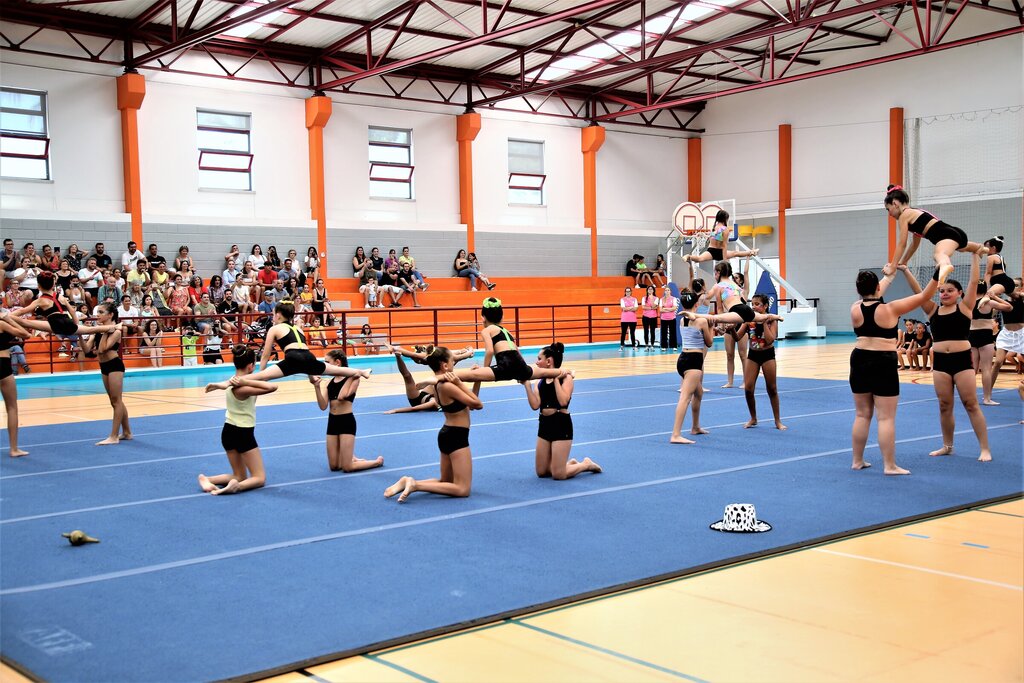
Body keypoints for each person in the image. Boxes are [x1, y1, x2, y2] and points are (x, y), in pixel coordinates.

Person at [849, 265, 938, 475]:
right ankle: (889, 465)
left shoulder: (854, 308)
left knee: (862, 415)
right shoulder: (891, 309)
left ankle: (857, 460)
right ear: (878, 287)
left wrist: (889, 276)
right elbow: (925, 295)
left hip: (859, 358)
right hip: (882, 361)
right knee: (886, 418)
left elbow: (873, 293)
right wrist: (938, 272)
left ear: (858, 290)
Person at [904, 253, 992, 461]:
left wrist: (975, 256)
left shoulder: (965, 307)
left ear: (959, 293)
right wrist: (906, 270)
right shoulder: (933, 310)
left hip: (962, 361)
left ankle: (985, 448)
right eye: (942, 291)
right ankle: (947, 446)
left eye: (950, 290)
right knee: (944, 405)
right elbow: (919, 292)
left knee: (971, 403)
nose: (944, 294)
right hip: (941, 363)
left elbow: (973, 282)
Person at [384, 347, 483, 503]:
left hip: (447, 434)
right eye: (453, 361)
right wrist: (459, 382)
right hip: (457, 436)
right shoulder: (448, 386)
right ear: (445, 365)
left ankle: (407, 482)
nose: (454, 364)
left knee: (446, 481)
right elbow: (478, 404)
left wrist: (477, 379)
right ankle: (415, 485)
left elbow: (471, 403)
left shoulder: (439, 385)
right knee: (462, 489)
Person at [428, 298, 571, 387]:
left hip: (505, 365)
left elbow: (490, 351)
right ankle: (568, 372)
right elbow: (517, 351)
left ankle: (434, 379)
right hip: (520, 365)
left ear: (483, 317)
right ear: (501, 318)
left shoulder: (487, 330)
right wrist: (522, 372)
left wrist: (484, 370)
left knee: (468, 375)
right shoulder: (507, 332)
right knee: (543, 372)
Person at [199, 345, 277, 495]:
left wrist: (248, 379)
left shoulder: (231, 382)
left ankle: (208, 479)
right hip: (243, 433)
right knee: (259, 478)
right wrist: (246, 382)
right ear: (251, 366)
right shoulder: (242, 387)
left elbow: (263, 378)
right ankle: (236, 487)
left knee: (239, 476)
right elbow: (272, 387)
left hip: (228, 431)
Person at [239, 301, 371, 382]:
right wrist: (312, 376)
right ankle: (361, 372)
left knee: (257, 377)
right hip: (309, 358)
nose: (273, 317)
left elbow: (266, 355)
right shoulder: (298, 329)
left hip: (293, 358)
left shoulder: (274, 328)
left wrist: (261, 375)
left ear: (278, 315)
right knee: (338, 370)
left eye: (273, 314)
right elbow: (304, 353)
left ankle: (231, 381)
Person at [523, 342, 601, 479]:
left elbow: (563, 401)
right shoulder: (539, 382)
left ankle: (586, 464)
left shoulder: (566, 378)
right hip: (544, 425)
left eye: (539, 359)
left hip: (560, 424)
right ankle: (569, 464)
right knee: (542, 472)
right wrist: (527, 385)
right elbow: (535, 405)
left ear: (549, 361)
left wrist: (555, 378)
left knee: (558, 474)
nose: (536, 362)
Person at [883, 184, 987, 284]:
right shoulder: (914, 213)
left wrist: (893, 266)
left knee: (939, 254)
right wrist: (903, 261)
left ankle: (944, 265)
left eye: (888, 209)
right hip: (954, 233)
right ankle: (979, 248)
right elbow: (914, 245)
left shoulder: (904, 216)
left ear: (895, 204)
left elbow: (902, 243)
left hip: (945, 235)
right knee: (962, 248)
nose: (889, 214)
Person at [311, 349, 384, 473]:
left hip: (346, 421)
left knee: (347, 467)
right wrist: (316, 387)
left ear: (337, 363)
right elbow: (323, 406)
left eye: (327, 362)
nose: (325, 365)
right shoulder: (329, 383)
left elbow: (341, 396)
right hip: (332, 422)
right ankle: (352, 457)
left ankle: (376, 462)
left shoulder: (354, 380)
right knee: (334, 466)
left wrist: (352, 375)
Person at [6, 271, 119, 338]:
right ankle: (114, 327)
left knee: (25, 322)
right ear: (53, 285)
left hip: (55, 324)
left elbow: (21, 311)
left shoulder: (41, 300)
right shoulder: (60, 296)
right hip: (68, 322)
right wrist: (76, 324)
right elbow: (72, 311)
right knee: (90, 330)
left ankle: (4, 317)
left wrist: (10, 315)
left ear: (39, 286)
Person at [732, 294, 786, 430]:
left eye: (757, 304)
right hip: (753, 355)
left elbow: (770, 339)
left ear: (765, 306)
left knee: (772, 388)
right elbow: (738, 337)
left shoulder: (771, 320)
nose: (754, 307)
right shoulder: (749, 320)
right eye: (753, 304)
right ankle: (753, 418)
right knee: (748, 388)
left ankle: (777, 420)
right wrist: (731, 329)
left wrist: (764, 323)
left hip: (767, 355)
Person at [82, 302, 131, 446]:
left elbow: (102, 349)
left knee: (116, 401)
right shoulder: (99, 330)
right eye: (97, 312)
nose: (97, 315)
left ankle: (114, 436)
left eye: (101, 312)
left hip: (115, 366)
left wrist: (105, 331)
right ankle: (127, 432)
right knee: (115, 401)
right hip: (103, 366)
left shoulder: (116, 332)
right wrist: (79, 336)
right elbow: (87, 351)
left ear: (110, 315)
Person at [682, 262, 782, 328]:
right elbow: (741, 297)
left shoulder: (718, 286)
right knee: (762, 317)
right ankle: (776, 316)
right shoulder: (734, 284)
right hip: (746, 309)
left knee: (715, 318)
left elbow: (720, 308)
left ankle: (693, 315)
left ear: (718, 273)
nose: (715, 276)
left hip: (737, 311)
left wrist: (721, 326)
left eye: (715, 274)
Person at [670, 290, 713, 444]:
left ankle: (695, 427)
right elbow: (709, 342)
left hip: (683, 359)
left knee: (698, 393)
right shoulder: (702, 321)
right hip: (693, 361)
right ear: (697, 304)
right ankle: (675, 434)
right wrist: (711, 327)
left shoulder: (683, 320)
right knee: (685, 398)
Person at [382, 344, 475, 414]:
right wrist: (466, 352)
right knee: (447, 371)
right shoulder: (436, 401)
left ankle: (397, 355)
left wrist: (396, 410)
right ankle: (397, 350)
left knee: (407, 376)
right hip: (429, 393)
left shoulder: (433, 402)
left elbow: (414, 408)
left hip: (417, 400)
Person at [970, 282, 1011, 405]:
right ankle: (987, 398)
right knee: (986, 369)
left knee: (972, 369)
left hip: (971, 335)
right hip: (985, 335)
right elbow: (1009, 307)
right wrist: (994, 297)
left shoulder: (968, 302)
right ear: (985, 290)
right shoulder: (989, 303)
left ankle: (968, 397)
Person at [683, 210, 758, 264]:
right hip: (720, 252)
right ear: (725, 219)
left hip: (711, 251)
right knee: (736, 253)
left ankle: (688, 256)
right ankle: (752, 252)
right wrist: (725, 260)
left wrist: (706, 234)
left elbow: (714, 237)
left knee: (699, 259)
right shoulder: (724, 229)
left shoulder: (714, 228)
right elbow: (724, 245)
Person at [0, 315, 29, 456]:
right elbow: (25, 334)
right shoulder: (1, 324)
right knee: (12, 408)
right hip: (2, 364)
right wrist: (8, 319)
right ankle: (13, 449)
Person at [721, 258, 751, 388]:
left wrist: (748, 257)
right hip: (729, 325)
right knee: (729, 355)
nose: (734, 279)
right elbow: (723, 309)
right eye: (732, 277)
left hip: (741, 325)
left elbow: (746, 272)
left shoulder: (744, 292)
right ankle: (730, 381)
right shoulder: (728, 292)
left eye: (736, 278)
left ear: (741, 281)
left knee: (743, 355)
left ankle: (746, 381)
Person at [980, 235, 1016, 302]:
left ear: (993, 248)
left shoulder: (991, 257)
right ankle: (1020, 295)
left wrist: (984, 287)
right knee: (1016, 296)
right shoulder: (1001, 258)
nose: (985, 249)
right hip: (1006, 282)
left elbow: (988, 273)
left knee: (987, 296)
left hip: (1001, 282)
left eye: (987, 247)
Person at [658, 284, 678, 351]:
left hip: (672, 318)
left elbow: (674, 308)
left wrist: (665, 309)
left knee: (673, 332)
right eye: (666, 290)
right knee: (664, 333)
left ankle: (673, 346)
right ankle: (664, 346)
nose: (667, 291)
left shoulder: (674, 299)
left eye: (668, 290)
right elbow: (661, 310)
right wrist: (670, 309)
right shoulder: (661, 299)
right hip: (664, 318)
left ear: (670, 291)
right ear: (664, 292)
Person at [640, 285, 659, 350]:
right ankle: (646, 345)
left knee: (652, 331)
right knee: (646, 331)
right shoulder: (644, 298)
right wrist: (651, 308)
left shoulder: (656, 298)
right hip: (645, 317)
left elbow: (654, 306)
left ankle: (652, 345)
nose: (650, 290)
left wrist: (651, 299)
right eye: (649, 289)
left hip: (653, 317)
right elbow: (643, 307)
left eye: (651, 289)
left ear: (653, 291)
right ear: (647, 291)